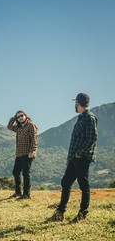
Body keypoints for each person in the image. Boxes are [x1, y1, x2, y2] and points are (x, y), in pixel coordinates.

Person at [47, 93, 98, 223]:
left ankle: (82, 214)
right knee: (66, 182)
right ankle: (60, 212)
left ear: (77, 103)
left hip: (82, 157)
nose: (74, 105)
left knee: (84, 185)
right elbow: (76, 140)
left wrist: (79, 153)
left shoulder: (89, 117)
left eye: (75, 102)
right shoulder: (81, 117)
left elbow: (92, 138)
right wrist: (70, 157)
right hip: (75, 158)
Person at [7, 111, 38, 199]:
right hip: (19, 153)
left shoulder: (31, 125)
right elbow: (9, 126)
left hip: (28, 153)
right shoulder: (18, 127)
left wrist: (32, 151)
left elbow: (34, 138)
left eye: (21, 115)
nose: (20, 117)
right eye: (18, 117)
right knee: (16, 172)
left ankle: (26, 194)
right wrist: (13, 118)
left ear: (26, 116)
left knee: (25, 173)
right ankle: (18, 192)